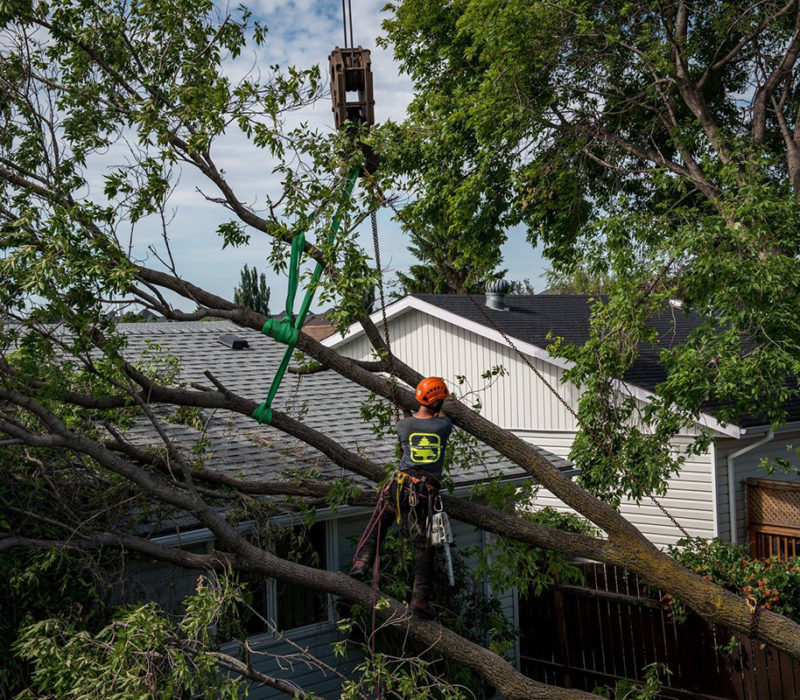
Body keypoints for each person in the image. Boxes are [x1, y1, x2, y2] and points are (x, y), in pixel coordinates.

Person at [349, 377, 453, 618]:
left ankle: (362, 563)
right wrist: (439, 406)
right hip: (425, 493)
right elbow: (442, 415)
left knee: (380, 523)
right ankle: (420, 601)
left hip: (401, 487)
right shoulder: (444, 426)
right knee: (424, 546)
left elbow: (416, 418)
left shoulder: (404, 426)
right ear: (436, 402)